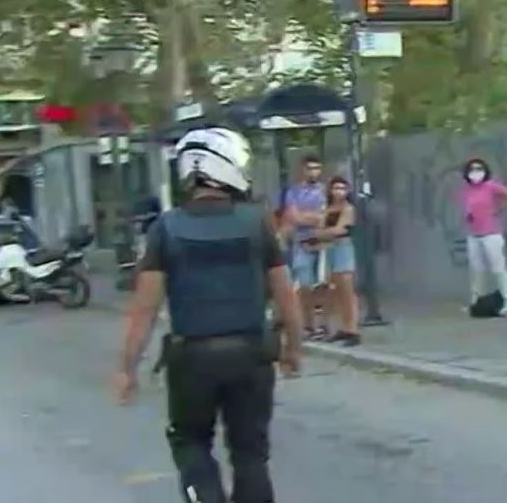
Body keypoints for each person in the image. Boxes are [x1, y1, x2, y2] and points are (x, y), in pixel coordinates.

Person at [111, 127, 303, 503]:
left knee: (191, 442)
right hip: (251, 355)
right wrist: (293, 347)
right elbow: (286, 294)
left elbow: (144, 308)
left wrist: (127, 368)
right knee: (250, 453)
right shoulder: (256, 223)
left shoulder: (166, 228)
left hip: (192, 359)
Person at [461, 158, 507, 316]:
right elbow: (468, 208)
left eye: (479, 168)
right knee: (476, 270)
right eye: (472, 169)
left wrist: (498, 209)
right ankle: (476, 302)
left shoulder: (491, 186)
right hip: (473, 234)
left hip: (491, 233)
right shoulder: (467, 190)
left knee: (498, 268)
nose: (475, 172)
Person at [283, 156, 329, 340]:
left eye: (317, 168)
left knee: (324, 286)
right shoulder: (293, 192)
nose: (313, 172)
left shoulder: (324, 190)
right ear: (303, 170)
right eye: (310, 168)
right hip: (302, 244)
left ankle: (322, 324)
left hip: (323, 242)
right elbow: (294, 218)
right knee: (304, 286)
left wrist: (307, 217)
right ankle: (308, 325)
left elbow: (326, 217)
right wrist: (313, 217)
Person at [316, 176, 361, 346]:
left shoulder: (348, 209)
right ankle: (343, 327)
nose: (339, 192)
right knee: (336, 291)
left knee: (348, 290)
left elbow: (341, 229)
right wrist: (325, 232)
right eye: (336, 188)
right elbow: (319, 229)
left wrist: (326, 232)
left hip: (343, 248)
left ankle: (353, 330)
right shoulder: (327, 209)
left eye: (342, 188)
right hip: (331, 250)